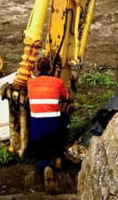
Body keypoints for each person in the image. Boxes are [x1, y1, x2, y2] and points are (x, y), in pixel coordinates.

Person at [27, 58, 68, 192]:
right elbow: (66, 96)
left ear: (37, 69)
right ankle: (58, 159)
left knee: (40, 151)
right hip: (54, 126)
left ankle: (44, 167)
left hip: (37, 128)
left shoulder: (30, 83)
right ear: (50, 68)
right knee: (58, 139)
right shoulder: (57, 82)